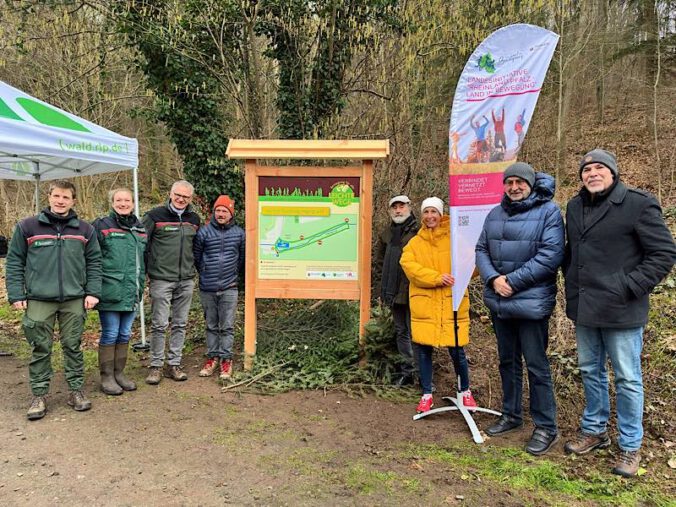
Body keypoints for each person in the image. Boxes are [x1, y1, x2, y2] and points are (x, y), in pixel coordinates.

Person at [563, 149, 676, 477]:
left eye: (599, 168)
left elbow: (664, 252)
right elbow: (573, 253)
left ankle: (630, 445)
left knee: (627, 379)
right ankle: (594, 430)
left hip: (622, 309)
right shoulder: (574, 206)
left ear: (613, 173)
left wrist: (628, 287)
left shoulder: (638, 204)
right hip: (585, 307)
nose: (592, 173)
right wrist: (570, 280)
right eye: (587, 169)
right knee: (589, 370)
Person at [475, 162, 564, 455]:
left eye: (519, 182)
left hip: (531, 303)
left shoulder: (549, 211)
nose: (514, 187)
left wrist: (511, 281)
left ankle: (546, 427)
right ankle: (511, 415)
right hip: (500, 301)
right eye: (509, 182)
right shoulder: (495, 213)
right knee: (507, 362)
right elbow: (481, 249)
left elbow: (551, 255)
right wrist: (492, 278)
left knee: (537, 366)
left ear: (530, 183)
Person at [5, 180, 101, 420]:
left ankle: (76, 391)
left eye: (66, 197)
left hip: (74, 298)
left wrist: (92, 291)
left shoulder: (85, 229)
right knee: (40, 347)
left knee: (73, 346)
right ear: (49, 197)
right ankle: (39, 395)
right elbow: (15, 260)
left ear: (73, 201)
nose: (60, 201)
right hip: (39, 298)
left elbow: (95, 262)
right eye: (56, 196)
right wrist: (16, 293)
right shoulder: (27, 226)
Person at [400, 197, 476, 413]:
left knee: (457, 350)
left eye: (434, 211)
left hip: (452, 303)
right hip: (426, 305)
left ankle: (465, 391)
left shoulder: (457, 239)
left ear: (441, 214)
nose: (430, 216)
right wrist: (435, 277)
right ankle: (426, 394)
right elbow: (408, 265)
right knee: (423, 350)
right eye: (426, 212)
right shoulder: (415, 243)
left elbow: (473, 264)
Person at [142, 180, 201, 384]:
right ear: (171, 193)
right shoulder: (154, 216)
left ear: (190, 199)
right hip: (161, 279)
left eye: (185, 196)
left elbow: (197, 248)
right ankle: (155, 366)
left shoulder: (194, 219)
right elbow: (142, 244)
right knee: (159, 324)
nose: (181, 199)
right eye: (178, 195)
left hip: (185, 279)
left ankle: (173, 364)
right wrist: (146, 272)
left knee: (180, 324)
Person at [92, 188, 147, 395]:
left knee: (125, 333)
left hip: (132, 290)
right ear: (112, 202)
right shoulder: (101, 226)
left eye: (127, 200)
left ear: (133, 204)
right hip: (110, 289)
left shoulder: (140, 228)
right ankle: (106, 377)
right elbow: (92, 259)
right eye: (118, 200)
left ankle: (119, 373)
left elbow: (144, 259)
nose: (123, 203)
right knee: (111, 333)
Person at [193, 195, 245, 381]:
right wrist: (206, 273)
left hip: (229, 287)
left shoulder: (240, 234)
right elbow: (197, 258)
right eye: (218, 211)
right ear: (214, 212)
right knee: (211, 325)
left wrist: (231, 277)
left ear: (231, 214)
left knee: (228, 326)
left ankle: (226, 359)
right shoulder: (204, 233)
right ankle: (212, 357)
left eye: (225, 211)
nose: (221, 214)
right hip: (208, 287)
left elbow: (241, 260)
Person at [375, 195, 419, 386]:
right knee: (401, 331)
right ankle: (407, 372)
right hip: (394, 292)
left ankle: (422, 373)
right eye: (395, 207)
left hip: (415, 290)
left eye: (402, 206)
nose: (398, 210)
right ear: (390, 211)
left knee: (417, 332)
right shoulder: (386, 234)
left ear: (409, 207)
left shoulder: (418, 231)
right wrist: (380, 290)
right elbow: (379, 263)